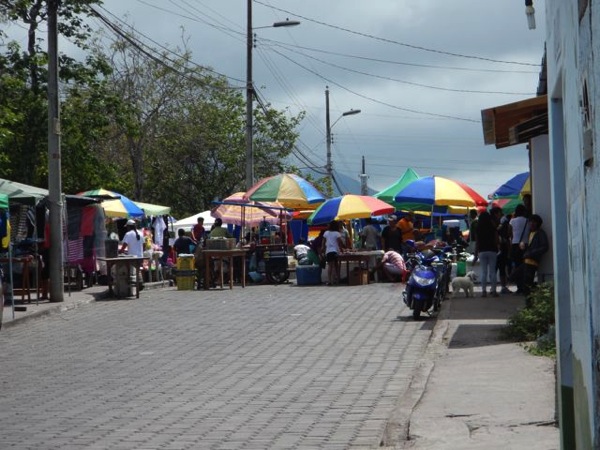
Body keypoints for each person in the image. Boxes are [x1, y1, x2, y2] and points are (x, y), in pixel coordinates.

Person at [510, 214, 549, 298]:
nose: (531, 224)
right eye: (530, 222)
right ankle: (530, 294)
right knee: (515, 276)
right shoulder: (531, 233)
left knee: (527, 283)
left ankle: (530, 300)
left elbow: (545, 247)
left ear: (538, 223)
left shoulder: (540, 233)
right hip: (526, 261)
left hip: (532, 262)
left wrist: (531, 253)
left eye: (534, 222)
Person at [475, 211, 499, 297]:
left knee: (483, 272)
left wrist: (475, 254)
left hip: (482, 251)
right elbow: (497, 240)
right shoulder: (493, 227)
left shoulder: (478, 229)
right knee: (492, 271)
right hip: (492, 250)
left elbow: (477, 243)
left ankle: (483, 291)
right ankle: (494, 291)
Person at [492, 206, 513, 294]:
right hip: (501, 248)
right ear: (496, 214)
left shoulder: (494, 223)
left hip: (495, 249)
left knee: (496, 268)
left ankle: (494, 288)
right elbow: (507, 236)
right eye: (500, 213)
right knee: (501, 268)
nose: (501, 214)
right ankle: (502, 287)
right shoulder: (501, 224)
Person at [509, 204, 530, 288]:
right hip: (525, 244)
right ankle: (525, 285)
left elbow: (510, 234)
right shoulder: (527, 221)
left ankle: (519, 286)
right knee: (525, 265)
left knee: (517, 265)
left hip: (515, 244)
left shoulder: (512, 221)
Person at [321, 220, 345, 285]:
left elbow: (323, 242)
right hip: (335, 251)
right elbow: (340, 243)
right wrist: (342, 250)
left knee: (330, 266)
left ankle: (330, 280)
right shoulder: (337, 233)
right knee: (336, 265)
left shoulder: (326, 233)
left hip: (328, 251)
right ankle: (337, 279)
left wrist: (323, 249)